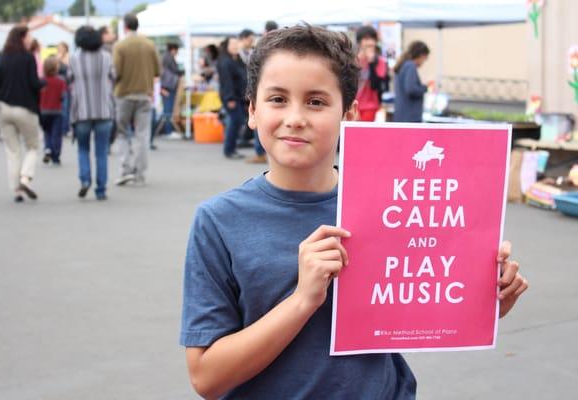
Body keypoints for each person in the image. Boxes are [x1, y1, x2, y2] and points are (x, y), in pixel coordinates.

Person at [181, 25, 529, 399]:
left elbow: (407, 316)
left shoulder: (392, 205)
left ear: (349, 114)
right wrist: (302, 300)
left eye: (316, 102)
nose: (295, 117)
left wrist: (480, 299)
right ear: (252, 109)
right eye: (278, 99)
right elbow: (207, 377)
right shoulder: (218, 221)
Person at [0, 25, 44, 202]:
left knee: (12, 151)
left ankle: (16, 190)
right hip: (24, 108)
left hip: (2, 108)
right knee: (33, 145)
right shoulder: (28, 58)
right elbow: (34, 83)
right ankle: (25, 178)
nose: (31, 39)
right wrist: (43, 83)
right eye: (29, 35)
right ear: (22, 37)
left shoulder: (3, 57)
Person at [68, 25, 115, 200]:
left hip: (81, 111)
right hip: (104, 110)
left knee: (82, 148)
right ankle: (101, 189)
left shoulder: (74, 59)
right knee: (101, 152)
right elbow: (113, 77)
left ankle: (85, 179)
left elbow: (69, 79)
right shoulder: (106, 57)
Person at [113, 13, 160, 186]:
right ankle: (140, 173)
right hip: (144, 95)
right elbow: (157, 70)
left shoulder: (120, 46)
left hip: (124, 95)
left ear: (125, 27)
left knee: (123, 132)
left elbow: (115, 72)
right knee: (142, 135)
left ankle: (125, 170)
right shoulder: (149, 45)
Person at [217, 36, 247, 159]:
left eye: (236, 44)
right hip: (231, 97)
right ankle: (229, 150)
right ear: (227, 46)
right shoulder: (225, 62)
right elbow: (226, 82)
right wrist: (230, 99)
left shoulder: (237, 59)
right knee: (234, 122)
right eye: (232, 44)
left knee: (237, 122)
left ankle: (232, 148)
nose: (235, 46)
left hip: (239, 96)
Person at [355, 25, 389, 122]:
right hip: (353, 104)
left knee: (364, 134)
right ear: (360, 42)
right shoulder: (353, 60)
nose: (369, 42)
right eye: (366, 39)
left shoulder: (380, 61)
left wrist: (371, 63)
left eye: (372, 39)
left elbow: (376, 85)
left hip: (369, 105)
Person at [393, 41, 430, 123]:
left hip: (401, 114)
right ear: (421, 55)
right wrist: (425, 88)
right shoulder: (410, 66)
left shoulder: (402, 65)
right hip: (410, 116)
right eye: (425, 58)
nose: (424, 62)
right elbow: (411, 89)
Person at [40, 56, 66, 165]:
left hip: (43, 111)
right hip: (56, 111)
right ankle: (56, 155)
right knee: (56, 133)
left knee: (47, 132)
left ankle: (48, 148)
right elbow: (63, 96)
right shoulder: (60, 81)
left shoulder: (41, 81)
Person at [159, 42, 181, 136]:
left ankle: (167, 130)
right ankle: (168, 131)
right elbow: (176, 71)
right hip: (168, 86)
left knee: (167, 109)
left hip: (166, 86)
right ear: (173, 49)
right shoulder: (169, 58)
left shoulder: (164, 57)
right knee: (168, 110)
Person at [56, 41, 72, 136]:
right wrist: (58, 59)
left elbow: (69, 68)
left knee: (66, 108)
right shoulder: (56, 57)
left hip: (67, 85)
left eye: (62, 47)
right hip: (59, 86)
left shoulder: (69, 57)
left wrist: (62, 59)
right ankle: (61, 128)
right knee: (60, 107)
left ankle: (66, 128)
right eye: (59, 47)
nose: (60, 49)